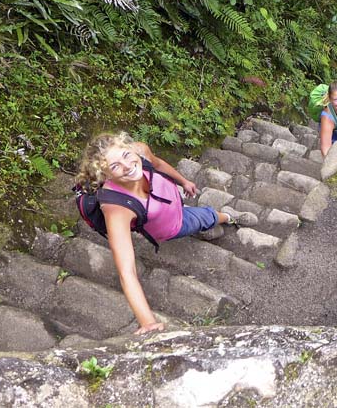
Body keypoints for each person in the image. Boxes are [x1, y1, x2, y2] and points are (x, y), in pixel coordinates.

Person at [75, 132, 236, 335]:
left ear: (131, 148)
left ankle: (222, 218)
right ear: (105, 175)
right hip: (174, 225)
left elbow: (158, 165)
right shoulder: (117, 208)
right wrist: (147, 322)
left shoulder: (140, 152)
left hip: (172, 199)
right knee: (205, 216)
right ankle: (228, 218)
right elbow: (126, 271)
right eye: (115, 166)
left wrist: (184, 181)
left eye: (126, 155)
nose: (127, 165)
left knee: (199, 215)